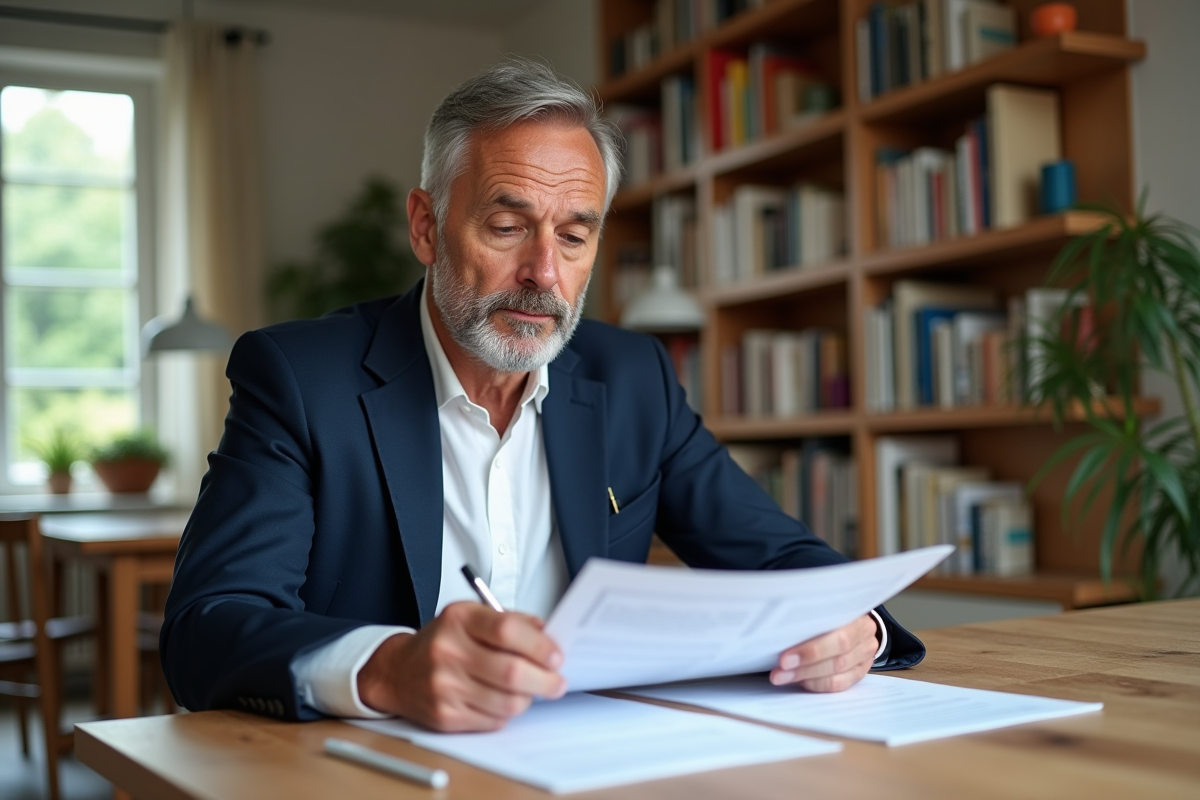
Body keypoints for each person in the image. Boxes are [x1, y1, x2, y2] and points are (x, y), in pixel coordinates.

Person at [161, 59, 924, 733]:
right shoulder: (300, 378)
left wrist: (857, 628)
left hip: (593, 759)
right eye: (506, 226)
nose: (544, 274)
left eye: (574, 236)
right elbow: (209, 627)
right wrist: (388, 667)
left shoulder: (633, 379)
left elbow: (782, 559)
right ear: (427, 227)